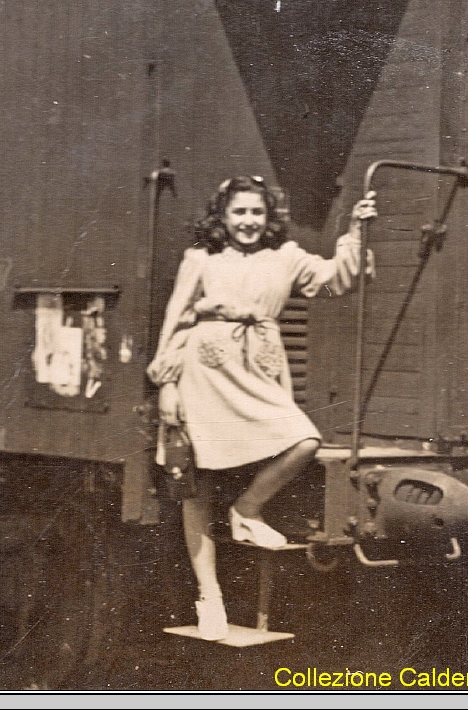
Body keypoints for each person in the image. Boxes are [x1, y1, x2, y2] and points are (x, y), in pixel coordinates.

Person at [147, 175, 376, 640]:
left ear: (269, 217)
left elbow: (337, 280)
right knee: (198, 486)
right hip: (203, 370)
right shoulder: (200, 259)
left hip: (259, 367)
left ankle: (248, 509)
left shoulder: (287, 257)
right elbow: (175, 321)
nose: (248, 222)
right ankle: (209, 599)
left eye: (257, 213)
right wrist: (167, 386)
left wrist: (355, 230)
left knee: (304, 438)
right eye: (239, 213)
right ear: (223, 218)